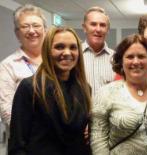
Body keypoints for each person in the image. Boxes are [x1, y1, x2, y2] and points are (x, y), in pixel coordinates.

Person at [8, 26, 92, 155]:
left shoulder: (84, 89)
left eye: (73, 47)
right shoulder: (30, 87)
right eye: (59, 47)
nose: (67, 53)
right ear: (47, 51)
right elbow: (17, 144)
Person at [91, 34, 147, 155]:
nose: (136, 62)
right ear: (121, 61)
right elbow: (98, 139)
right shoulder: (106, 93)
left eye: (141, 56)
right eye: (130, 57)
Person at [0, 4, 46, 126]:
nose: (31, 31)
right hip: (26, 140)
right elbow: (7, 112)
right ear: (17, 33)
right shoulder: (7, 66)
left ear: (45, 30)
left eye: (36, 25)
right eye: (25, 26)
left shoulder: (56, 60)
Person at [82, 6, 115, 96]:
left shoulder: (116, 58)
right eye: (93, 24)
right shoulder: (75, 56)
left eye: (103, 25)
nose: (98, 29)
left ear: (107, 30)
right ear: (84, 28)